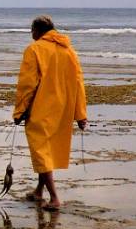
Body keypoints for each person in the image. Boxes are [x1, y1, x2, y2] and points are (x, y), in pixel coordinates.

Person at [13, 15, 87, 209]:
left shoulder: (34, 49)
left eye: (32, 31)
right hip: (63, 109)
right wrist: (80, 114)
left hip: (41, 108)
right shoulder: (69, 51)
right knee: (45, 151)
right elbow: (78, 83)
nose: (31, 34)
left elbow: (27, 84)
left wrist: (19, 111)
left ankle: (54, 198)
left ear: (38, 31)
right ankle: (39, 191)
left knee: (41, 151)